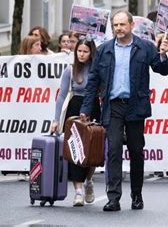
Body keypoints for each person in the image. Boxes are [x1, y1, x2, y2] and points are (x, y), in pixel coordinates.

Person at [79, 10, 168, 211]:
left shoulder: (144, 47)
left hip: (136, 105)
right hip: (113, 106)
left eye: (122, 24)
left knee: (136, 151)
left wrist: (163, 55)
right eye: (115, 25)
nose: (118, 28)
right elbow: (93, 81)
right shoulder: (104, 50)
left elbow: (161, 69)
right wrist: (86, 108)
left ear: (131, 25)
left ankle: (136, 194)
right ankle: (114, 198)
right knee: (113, 151)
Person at [50, 36, 100, 206]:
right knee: (74, 151)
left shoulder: (97, 69)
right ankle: (78, 192)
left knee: (92, 152)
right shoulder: (70, 70)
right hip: (75, 109)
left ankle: (89, 180)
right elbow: (61, 96)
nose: (82, 54)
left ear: (91, 53)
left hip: (93, 108)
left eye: (85, 51)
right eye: (79, 51)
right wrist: (56, 120)